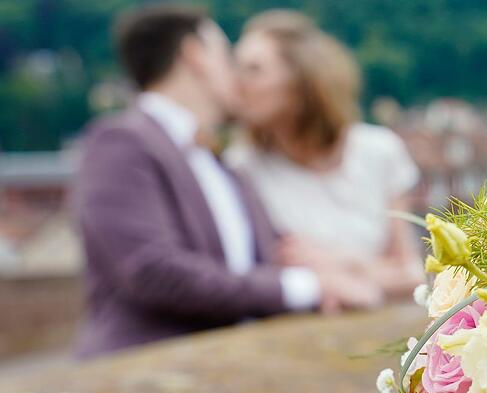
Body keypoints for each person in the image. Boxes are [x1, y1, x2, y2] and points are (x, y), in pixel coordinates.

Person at [71, 5, 378, 359]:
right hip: (144, 376)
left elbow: (271, 254)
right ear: (195, 55)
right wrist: (307, 286)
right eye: (226, 56)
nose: (236, 75)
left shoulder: (221, 163)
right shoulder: (120, 140)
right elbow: (152, 270)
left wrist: (336, 267)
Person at [226, 10, 424, 298]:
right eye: (236, 68)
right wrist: (369, 274)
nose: (237, 84)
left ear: (300, 80)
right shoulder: (241, 167)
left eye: (254, 69)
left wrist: (342, 263)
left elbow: (411, 276)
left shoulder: (380, 151)